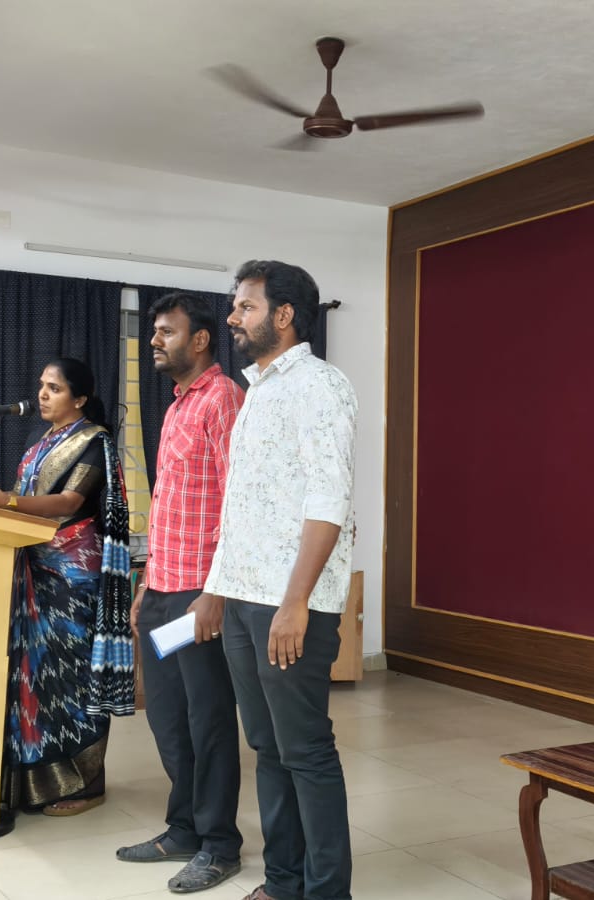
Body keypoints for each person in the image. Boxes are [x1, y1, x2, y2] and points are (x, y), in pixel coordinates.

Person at [202, 261, 357, 900]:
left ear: (284, 315)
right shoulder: (259, 391)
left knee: (306, 751)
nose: (233, 317)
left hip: (289, 604)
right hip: (244, 598)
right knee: (267, 747)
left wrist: (296, 603)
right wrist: (215, 589)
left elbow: (328, 500)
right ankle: (282, 882)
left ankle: (327, 892)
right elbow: (240, 506)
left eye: (246, 306)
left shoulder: (321, 386)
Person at [0, 357, 135, 816]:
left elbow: (70, 501)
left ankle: (85, 783)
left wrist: (6, 500)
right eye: (42, 385)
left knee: (71, 678)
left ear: (80, 398)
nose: (42, 394)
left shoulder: (94, 441)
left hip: (73, 576)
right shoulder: (40, 443)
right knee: (35, 677)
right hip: (34, 565)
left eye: (54, 388)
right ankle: (35, 784)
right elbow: (25, 503)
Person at [116, 293, 246, 893]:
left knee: (209, 720)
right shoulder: (176, 406)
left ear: (199, 339)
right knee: (169, 719)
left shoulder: (223, 399)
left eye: (166, 331)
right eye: (155, 332)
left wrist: (215, 593)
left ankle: (220, 845)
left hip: (200, 593)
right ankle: (184, 828)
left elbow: (236, 504)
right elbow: (169, 506)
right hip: (165, 591)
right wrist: (146, 587)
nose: (155, 341)